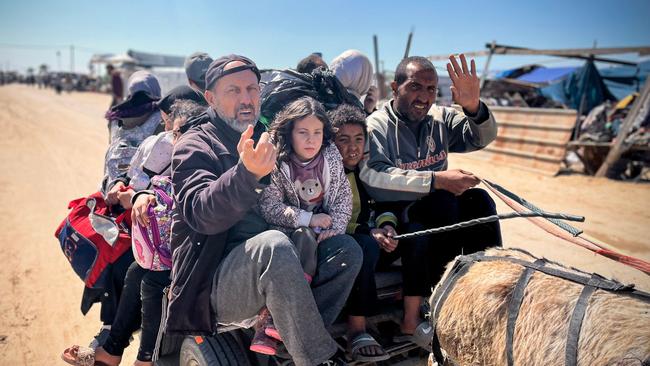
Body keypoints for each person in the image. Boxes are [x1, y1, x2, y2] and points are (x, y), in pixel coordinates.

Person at [167, 54, 361, 366]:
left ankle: (288, 339)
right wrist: (246, 174)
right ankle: (315, 358)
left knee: (346, 250)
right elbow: (201, 213)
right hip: (214, 279)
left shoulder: (268, 137)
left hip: (279, 262)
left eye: (253, 89)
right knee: (274, 245)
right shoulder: (195, 145)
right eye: (234, 91)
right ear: (210, 98)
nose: (246, 99)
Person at [360, 54, 502, 340]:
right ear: (394, 87)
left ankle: (488, 287)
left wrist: (473, 106)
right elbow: (373, 177)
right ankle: (437, 300)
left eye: (431, 89)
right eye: (415, 87)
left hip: (441, 209)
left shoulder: (440, 117)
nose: (424, 97)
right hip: (398, 219)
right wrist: (436, 180)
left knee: (480, 201)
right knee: (438, 205)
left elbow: (479, 137)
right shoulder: (376, 125)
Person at [61, 100, 204, 366]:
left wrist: (140, 195)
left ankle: (143, 359)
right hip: (173, 243)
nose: (178, 140)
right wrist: (142, 194)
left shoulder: (202, 156)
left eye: (184, 134)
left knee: (151, 279)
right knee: (135, 271)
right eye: (176, 133)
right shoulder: (167, 148)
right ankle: (112, 349)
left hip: (199, 247)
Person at [256, 97, 352, 354]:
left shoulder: (330, 156)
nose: (311, 140)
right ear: (290, 133)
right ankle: (274, 322)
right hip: (290, 234)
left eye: (317, 132)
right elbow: (270, 207)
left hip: (325, 231)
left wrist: (335, 228)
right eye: (303, 132)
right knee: (303, 240)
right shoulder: (277, 161)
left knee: (351, 251)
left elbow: (343, 196)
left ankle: (308, 329)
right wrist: (308, 220)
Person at [330, 103, 397, 362]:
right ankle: (357, 330)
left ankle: (414, 310)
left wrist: (388, 227)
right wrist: (369, 232)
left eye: (359, 139)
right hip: (339, 242)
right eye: (343, 140)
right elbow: (333, 219)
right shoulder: (328, 174)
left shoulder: (366, 170)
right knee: (363, 246)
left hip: (370, 235)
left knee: (413, 235)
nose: (352, 147)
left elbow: (382, 204)